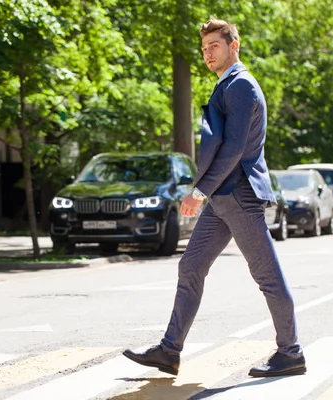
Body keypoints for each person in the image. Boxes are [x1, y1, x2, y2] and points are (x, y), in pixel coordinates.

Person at [123, 17, 305, 378]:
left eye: (214, 46)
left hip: (237, 195)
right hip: (224, 198)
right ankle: (169, 351)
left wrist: (199, 191)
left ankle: (291, 353)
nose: (208, 53)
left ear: (233, 45)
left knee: (266, 275)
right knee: (190, 266)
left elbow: (235, 147)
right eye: (204, 48)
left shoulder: (240, 86)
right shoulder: (227, 85)